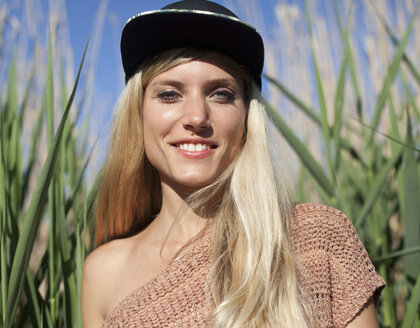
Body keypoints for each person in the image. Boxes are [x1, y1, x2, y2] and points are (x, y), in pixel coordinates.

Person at [81, 1, 385, 327]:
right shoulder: (103, 273)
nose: (197, 116)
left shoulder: (319, 239)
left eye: (221, 94)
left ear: (246, 117)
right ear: (137, 115)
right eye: (169, 94)